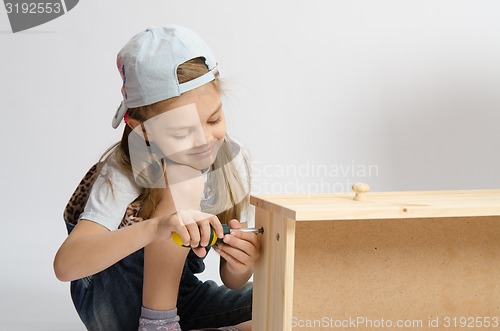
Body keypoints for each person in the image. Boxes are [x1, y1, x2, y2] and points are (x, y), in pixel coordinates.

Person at [53, 25, 260, 331]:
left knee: (291, 304)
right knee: (183, 174)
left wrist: (241, 263)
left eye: (214, 119)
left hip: (182, 300)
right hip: (118, 304)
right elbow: (66, 265)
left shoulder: (227, 160)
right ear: (143, 130)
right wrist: (159, 227)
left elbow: (230, 280)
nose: (204, 140)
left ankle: (170, 322)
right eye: (181, 131)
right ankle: (157, 323)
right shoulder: (122, 170)